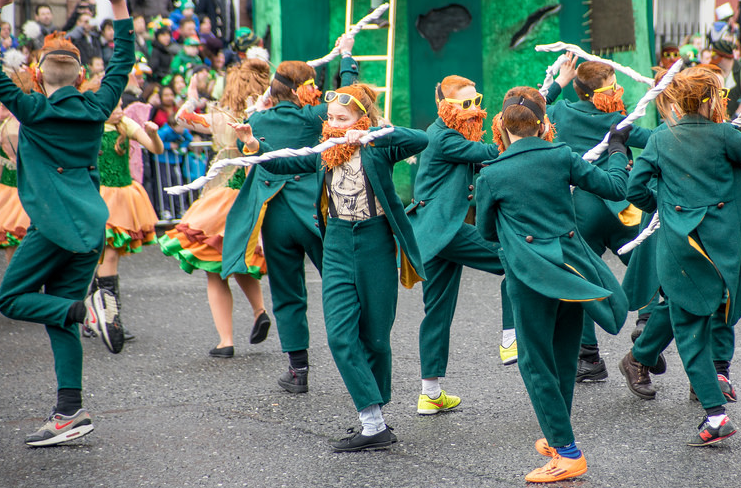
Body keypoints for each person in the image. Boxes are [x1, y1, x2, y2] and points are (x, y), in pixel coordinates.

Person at [235, 83, 428, 453]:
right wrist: (255, 146)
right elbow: (284, 161)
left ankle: (377, 421)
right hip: (337, 244)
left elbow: (419, 139)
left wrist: (372, 134)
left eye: (343, 119)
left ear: (361, 119)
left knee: (375, 338)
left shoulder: (378, 147)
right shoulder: (325, 152)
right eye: (331, 119)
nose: (335, 125)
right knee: (340, 336)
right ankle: (371, 422)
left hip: (376, 243)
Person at [0, 0, 133, 446]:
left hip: (54, 225)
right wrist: (118, 6)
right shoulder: (97, 107)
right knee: (58, 318)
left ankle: (88, 313)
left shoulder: (32, 108)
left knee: (10, 297)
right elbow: (122, 62)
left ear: (38, 74)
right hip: (92, 223)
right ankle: (69, 411)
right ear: (80, 77)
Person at [476, 86, 629, 483]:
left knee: (534, 362)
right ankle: (557, 435)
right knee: (562, 357)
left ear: (502, 126)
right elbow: (615, 188)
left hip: (529, 276)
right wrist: (616, 149)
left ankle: (567, 451)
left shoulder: (491, 174)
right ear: (543, 124)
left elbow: (486, 231)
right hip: (572, 271)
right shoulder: (561, 155)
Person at [621, 66, 741, 446]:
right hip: (724, 245)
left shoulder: (661, 138)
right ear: (711, 100)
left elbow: (634, 189)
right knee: (706, 314)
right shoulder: (725, 134)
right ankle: (713, 395)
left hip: (682, 245)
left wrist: (664, 203)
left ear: (677, 100)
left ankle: (711, 410)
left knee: (688, 322)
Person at [222, 35, 353, 394]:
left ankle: (298, 370)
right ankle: (357, 356)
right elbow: (350, 95)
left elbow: (243, 146)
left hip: (277, 215)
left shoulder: (257, 119)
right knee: (340, 284)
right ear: (302, 91)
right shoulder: (313, 115)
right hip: (314, 208)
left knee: (287, 293)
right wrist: (347, 57)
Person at [542, 56, 656, 382]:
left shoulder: (559, 112)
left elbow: (528, 109)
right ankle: (647, 324)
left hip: (579, 206)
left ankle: (588, 358)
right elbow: (653, 141)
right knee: (644, 262)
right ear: (603, 92)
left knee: (583, 277)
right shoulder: (618, 120)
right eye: (614, 85)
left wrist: (557, 84)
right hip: (621, 204)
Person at [409, 75, 515, 414]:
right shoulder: (442, 138)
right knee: (513, 258)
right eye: (465, 104)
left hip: (433, 233)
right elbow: (487, 152)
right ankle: (511, 339)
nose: (474, 110)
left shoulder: (450, 133)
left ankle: (430, 393)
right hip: (445, 229)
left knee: (436, 311)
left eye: (476, 101)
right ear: (445, 106)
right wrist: (523, 132)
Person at [161, 58, 271, 357]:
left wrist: (193, 97)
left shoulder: (221, 117)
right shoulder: (266, 116)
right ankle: (260, 311)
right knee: (240, 260)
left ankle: (226, 340)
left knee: (215, 270)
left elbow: (184, 119)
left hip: (221, 198)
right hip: (253, 198)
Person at [87, 96, 164, 340]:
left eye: (121, 105)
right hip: (98, 198)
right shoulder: (89, 127)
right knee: (106, 256)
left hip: (121, 198)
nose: (120, 111)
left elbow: (156, 149)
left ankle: (98, 314)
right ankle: (111, 319)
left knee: (108, 256)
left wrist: (153, 134)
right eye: (115, 106)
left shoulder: (126, 125)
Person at [0, 73, 31, 261]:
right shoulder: (20, 125)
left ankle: (16, 287)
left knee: (14, 246)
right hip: (23, 191)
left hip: (8, 192)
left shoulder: (7, 124)